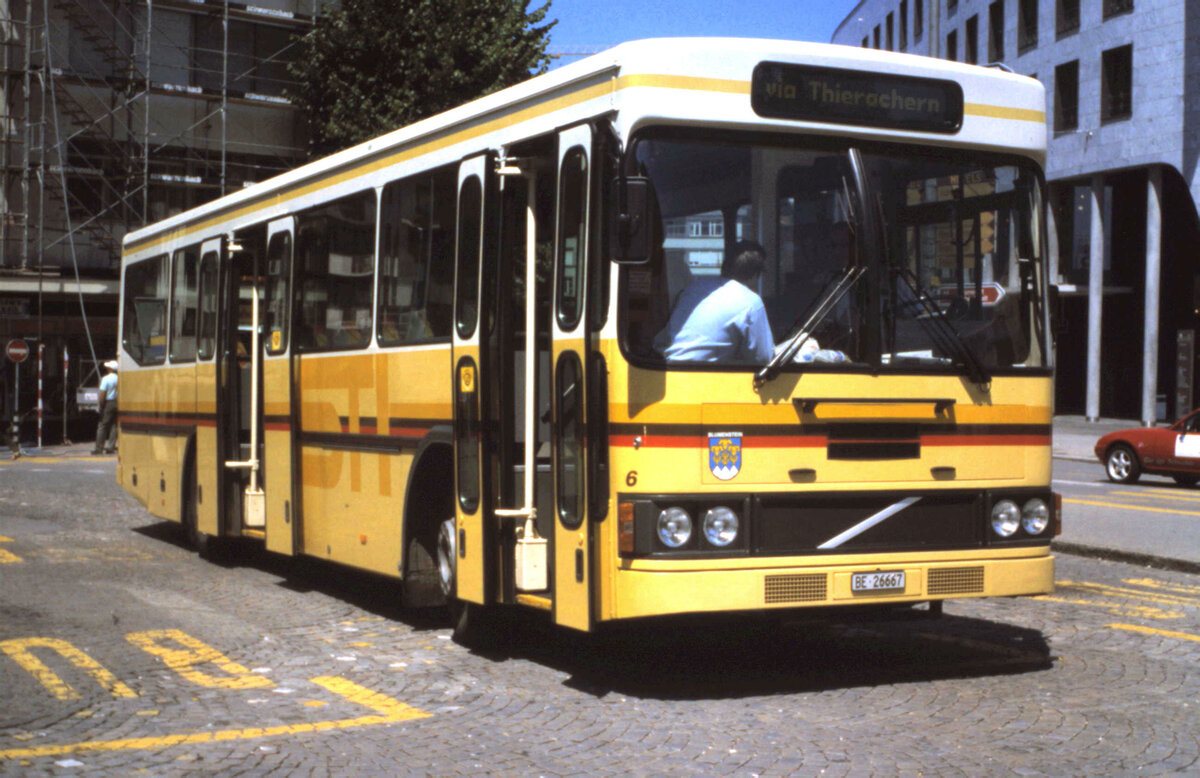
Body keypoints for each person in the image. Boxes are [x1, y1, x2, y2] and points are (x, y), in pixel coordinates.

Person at [654, 241, 774, 364]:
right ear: (755, 275)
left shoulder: (693, 288)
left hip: (668, 369)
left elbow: (662, 340)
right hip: (708, 374)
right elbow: (762, 358)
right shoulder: (751, 301)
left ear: (724, 266)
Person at [92, 360, 119, 455]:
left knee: (102, 425)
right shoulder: (119, 378)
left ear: (110, 369)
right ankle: (111, 447)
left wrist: (100, 404)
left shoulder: (106, 379)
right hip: (117, 402)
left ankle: (99, 448)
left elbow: (102, 393)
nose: (106, 368)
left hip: (108, 402)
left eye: (108, 367)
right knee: (114, 425)